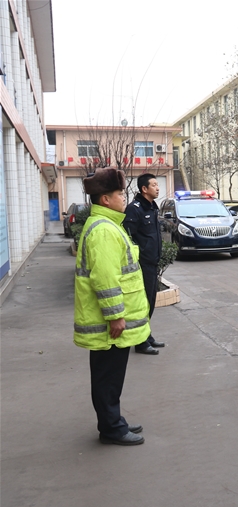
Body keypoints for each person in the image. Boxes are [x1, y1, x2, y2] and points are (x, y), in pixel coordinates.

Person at [74, 168, 151, 446]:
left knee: (111, 376)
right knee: (108, 377)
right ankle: (111, 429)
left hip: (110, 322)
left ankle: (113, 420)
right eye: (120, 193)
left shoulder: (107, 225)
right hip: (110, 325)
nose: (124, 198)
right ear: (105, 199)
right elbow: (105, 278)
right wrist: (116, 316)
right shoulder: (104, 230)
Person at [124, 173, 164, 355]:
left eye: (157, 184)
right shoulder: (134, 209)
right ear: (144, 189)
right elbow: (129, 238)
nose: (157, 188)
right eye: (154, 185)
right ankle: (140, 342)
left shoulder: (152, 208)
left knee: (151, 301)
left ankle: (146, 335)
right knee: (143, 302)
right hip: (142, 264)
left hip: (152, 262)